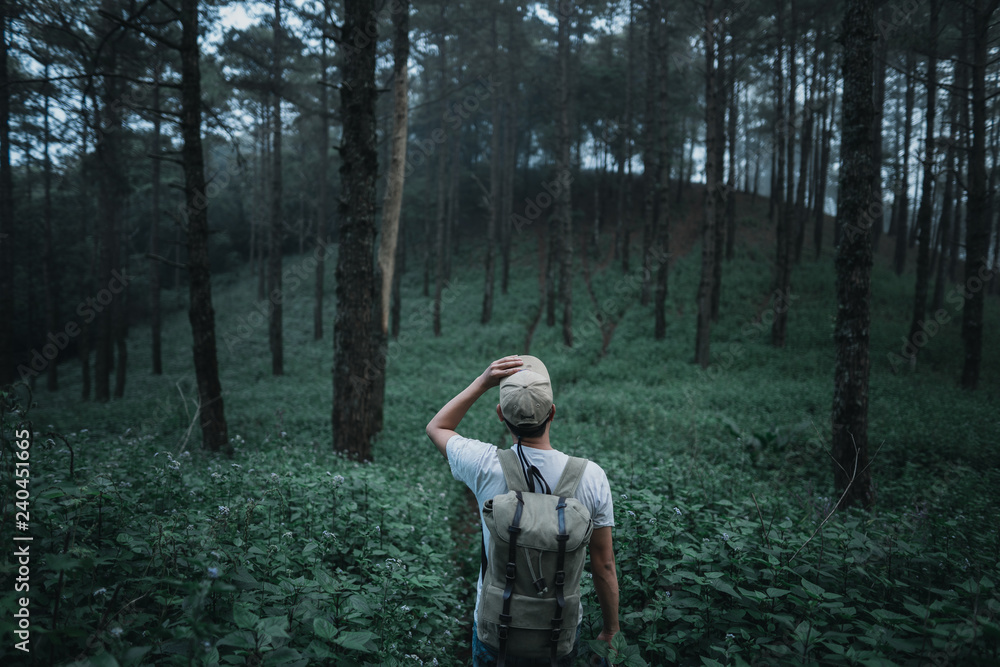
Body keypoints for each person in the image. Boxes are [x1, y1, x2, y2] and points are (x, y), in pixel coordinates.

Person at [426, 354, 620, 666]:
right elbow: (604, 565)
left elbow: (437, 426)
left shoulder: (484, 465)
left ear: (501, 415)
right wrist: (611, 629)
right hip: (560, 636)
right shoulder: (590, 476)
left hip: (495, 630)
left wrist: (483, 381)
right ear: (552, 412)